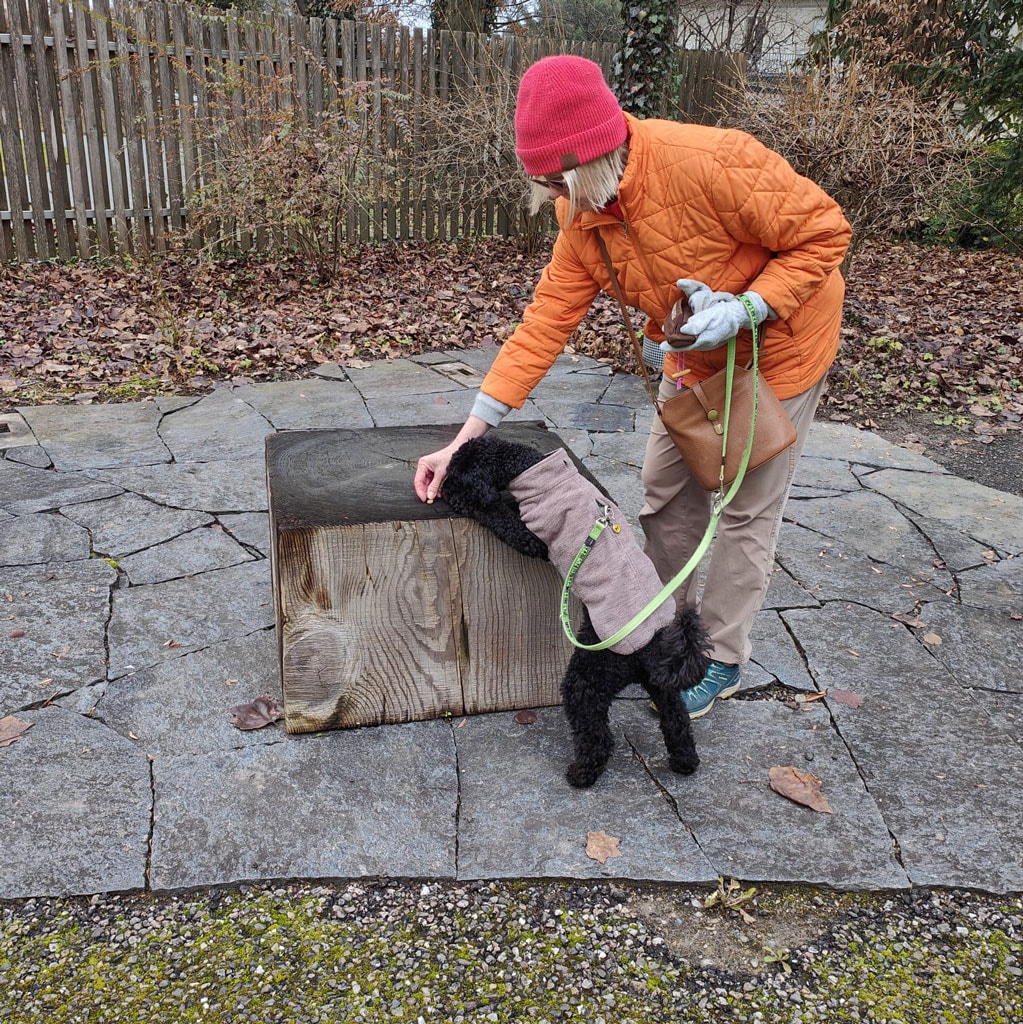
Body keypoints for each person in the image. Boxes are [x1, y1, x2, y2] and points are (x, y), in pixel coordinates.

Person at [414, 54, 852, 719]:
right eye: (546, 186)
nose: (556, 200)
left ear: (594, 157)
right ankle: (662, 638)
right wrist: (465, 439)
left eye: (560, 183)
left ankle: (720, 660)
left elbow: (825, 234)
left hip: (779, 352)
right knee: (665, 498)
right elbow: (543, 325)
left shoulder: (715, 161)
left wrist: (746, 309)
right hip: (691, 360)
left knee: (742, 511)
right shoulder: (582, 216)